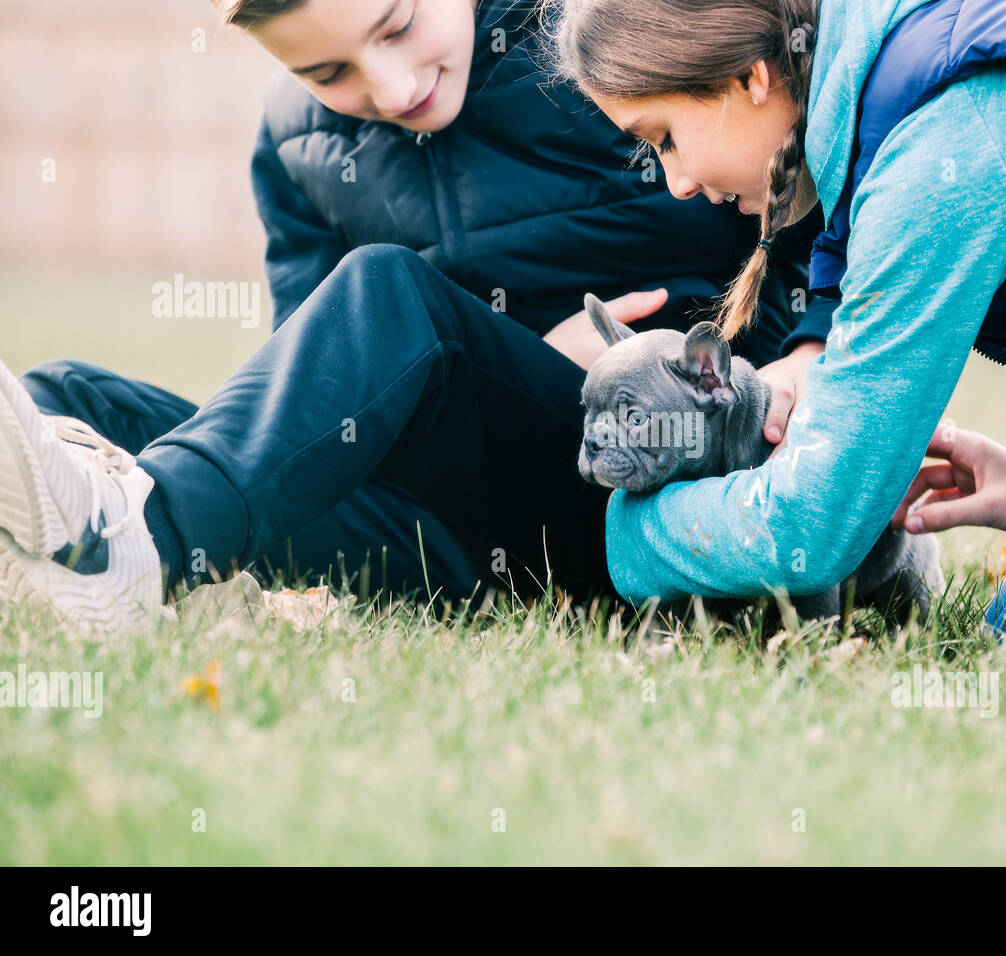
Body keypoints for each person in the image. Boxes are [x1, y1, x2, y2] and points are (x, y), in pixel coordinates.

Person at [0, 0, 824, 629]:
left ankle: (149, 542)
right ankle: (66, 546)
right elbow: (310, 386)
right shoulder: (295, 148)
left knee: (386, 292)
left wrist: (807, 346)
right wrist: (525, 353)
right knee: (66, 395)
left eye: (396, 25)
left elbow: (803, 190)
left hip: (644, 483)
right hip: (434, 531)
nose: (391, 88)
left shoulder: (605, 37)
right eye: (329, 74)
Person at [547, 0, 1006, 675]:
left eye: (666, 138)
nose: (674, 182)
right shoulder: (896, 87)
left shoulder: (943, 143)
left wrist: (630, 535)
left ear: (750, 78)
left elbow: (814, 529)